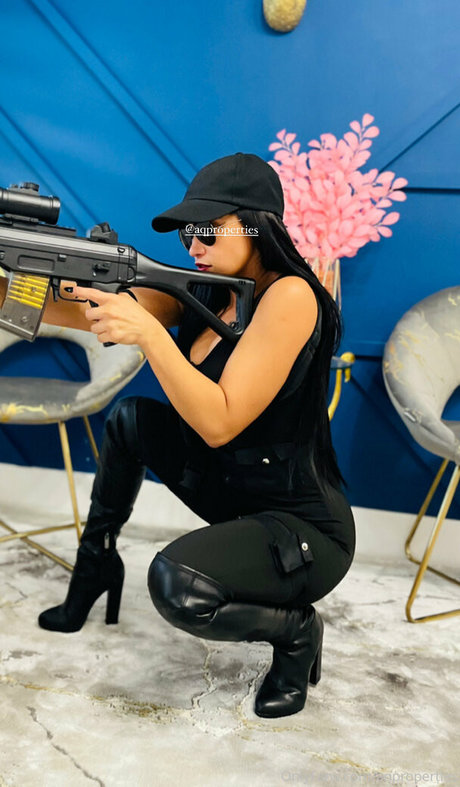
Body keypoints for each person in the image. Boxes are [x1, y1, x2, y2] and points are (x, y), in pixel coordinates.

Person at [30, 152, 355, 719]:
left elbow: (219, 421)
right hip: (234, 493)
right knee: (132, 419)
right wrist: (11, 288)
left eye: (209, 229)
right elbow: (87, 312)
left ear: (257, 226)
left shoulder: (291, 296)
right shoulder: (211, 291)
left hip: (301, 528)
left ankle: (296, 632)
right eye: (187, 234)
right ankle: (96, 563)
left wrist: (150, 335)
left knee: (179, 586)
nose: (194, 245)